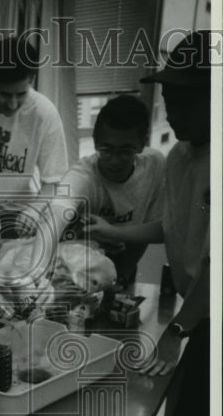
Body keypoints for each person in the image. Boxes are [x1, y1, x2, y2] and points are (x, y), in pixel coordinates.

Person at [87, 31, 211, 416]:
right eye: (172, 96)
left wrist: (178, 329)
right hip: (200, 305)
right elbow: (173, 227)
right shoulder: (183, 157)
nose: (175, 109)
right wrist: (109, 228)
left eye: (190, 97)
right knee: (193, 415)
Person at [35, 94, 166, 286]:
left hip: (125, 261)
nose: (114, 160)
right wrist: (35, 272)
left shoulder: (155, 164)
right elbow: (52, 220)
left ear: (141, 144)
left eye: (125, 151)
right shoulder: (82, 177)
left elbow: (156, 227)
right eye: (106, 150)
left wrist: (123, 271)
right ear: (95, 143)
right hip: (77, 269)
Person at [0, 33, 69, 234]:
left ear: (32, 81)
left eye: (21, 94)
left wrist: (34, 211)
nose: (13, 104)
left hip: (21, 215)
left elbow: (53, 181)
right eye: (5, 94)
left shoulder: (44, 113)